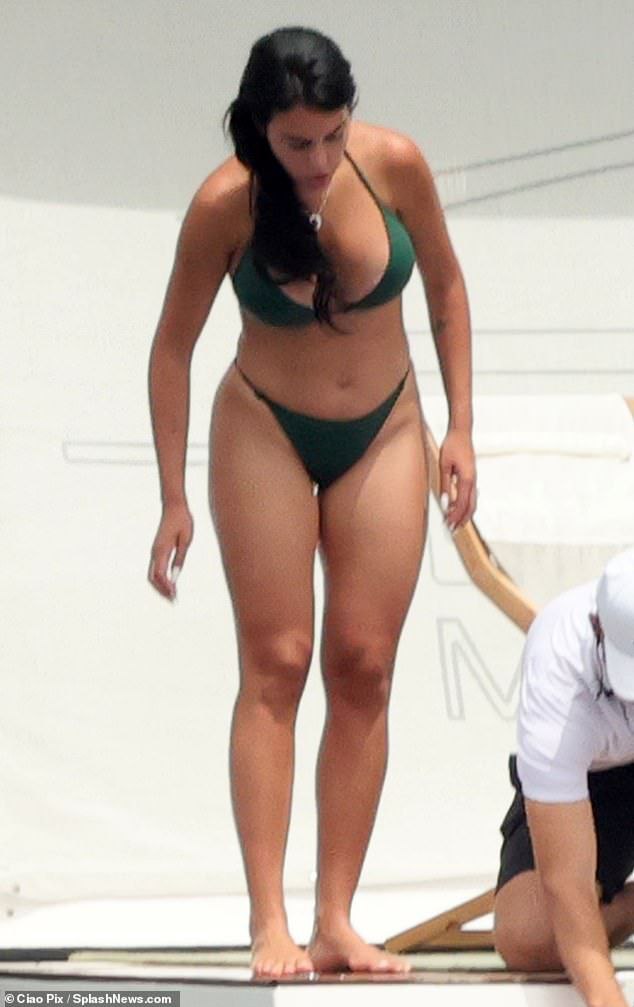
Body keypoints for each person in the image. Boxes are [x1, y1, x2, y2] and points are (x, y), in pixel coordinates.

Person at [148, 26, 475, 977]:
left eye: (333, 135)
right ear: (259, 129)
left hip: (387, 424)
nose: (321, 159)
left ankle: (337, 917)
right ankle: (270, 920)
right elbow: (172, 347)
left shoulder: (395, 164)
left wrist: (461, 426)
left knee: (365, 665)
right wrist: (172, 496)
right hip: (266, 424)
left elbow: (447, 288)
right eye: (298, 143)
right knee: (278, 661)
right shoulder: (225, 203)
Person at [494, 548, 634, 1007]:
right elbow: (567, 881)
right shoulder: (556, 661)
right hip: (601, 782)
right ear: (598, 626)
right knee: (529, 937)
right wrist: (607, 998)